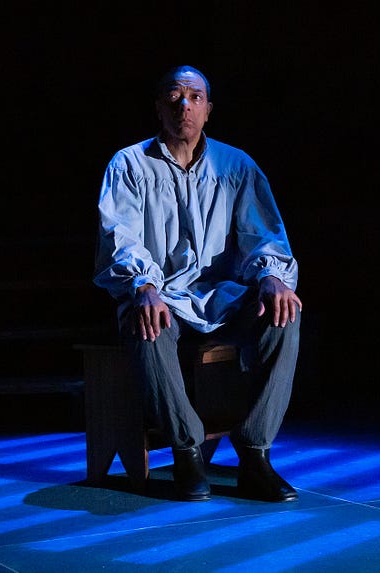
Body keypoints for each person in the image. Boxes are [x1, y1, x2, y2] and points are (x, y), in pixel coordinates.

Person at [93, 65, 303, 502]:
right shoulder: (129, 164)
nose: (183, 105)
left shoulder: (236, 165)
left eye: (194, 97)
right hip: (161, 295)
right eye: (174, 96)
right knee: (146, 323)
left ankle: (255, 452)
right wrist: (144, 287)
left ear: (208, 110)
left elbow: (263, 234)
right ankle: (187, 450)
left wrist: (271, 277)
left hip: (219, 296)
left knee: (286, 313)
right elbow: (121, 237)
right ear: (159, 107)